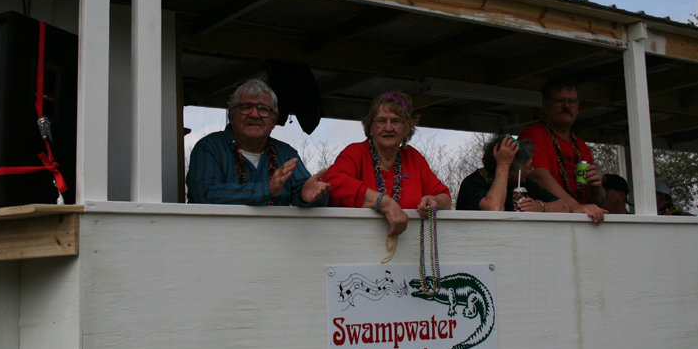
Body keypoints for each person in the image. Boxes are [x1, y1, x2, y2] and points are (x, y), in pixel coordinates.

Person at [186, 79, 330, 206]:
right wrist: (267, 189)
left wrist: (309, 198)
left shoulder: (286, 153)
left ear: (274, 120)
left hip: (275, 235)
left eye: (263, 109)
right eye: (246, 107)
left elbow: (306, 193)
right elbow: (204, 194)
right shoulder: (209, 147)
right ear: (231, 115)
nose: (254, 114)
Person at [324, 92, 451, 237]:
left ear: (406, 129)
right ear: (371, 127)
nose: (388, 127)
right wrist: (383, 202)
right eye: (381, 121)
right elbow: (331, 181)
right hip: (354, 246)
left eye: (396, 121)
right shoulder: (356, 152)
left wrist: (434, 201)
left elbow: (445, 199)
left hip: (407, 253)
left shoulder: (414, 158)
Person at [518, 75, 607, 224]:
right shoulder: (534, 134)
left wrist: (596, 188)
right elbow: (538, 176)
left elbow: (596, 201)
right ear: (545, 106)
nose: (567, 106)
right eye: (560, 101)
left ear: (578, 108)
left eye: (572, 101)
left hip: (582, 222)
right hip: (547, 223)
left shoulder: (581, 145)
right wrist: (576, 207)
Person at [456, 135, 568, 213]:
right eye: (526, 169)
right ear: (509, 172)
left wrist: (540, 207)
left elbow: (564, 207)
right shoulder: (472, 183)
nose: (529, 173)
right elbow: (494, 208)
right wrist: (503, 165)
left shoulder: (523, 183)